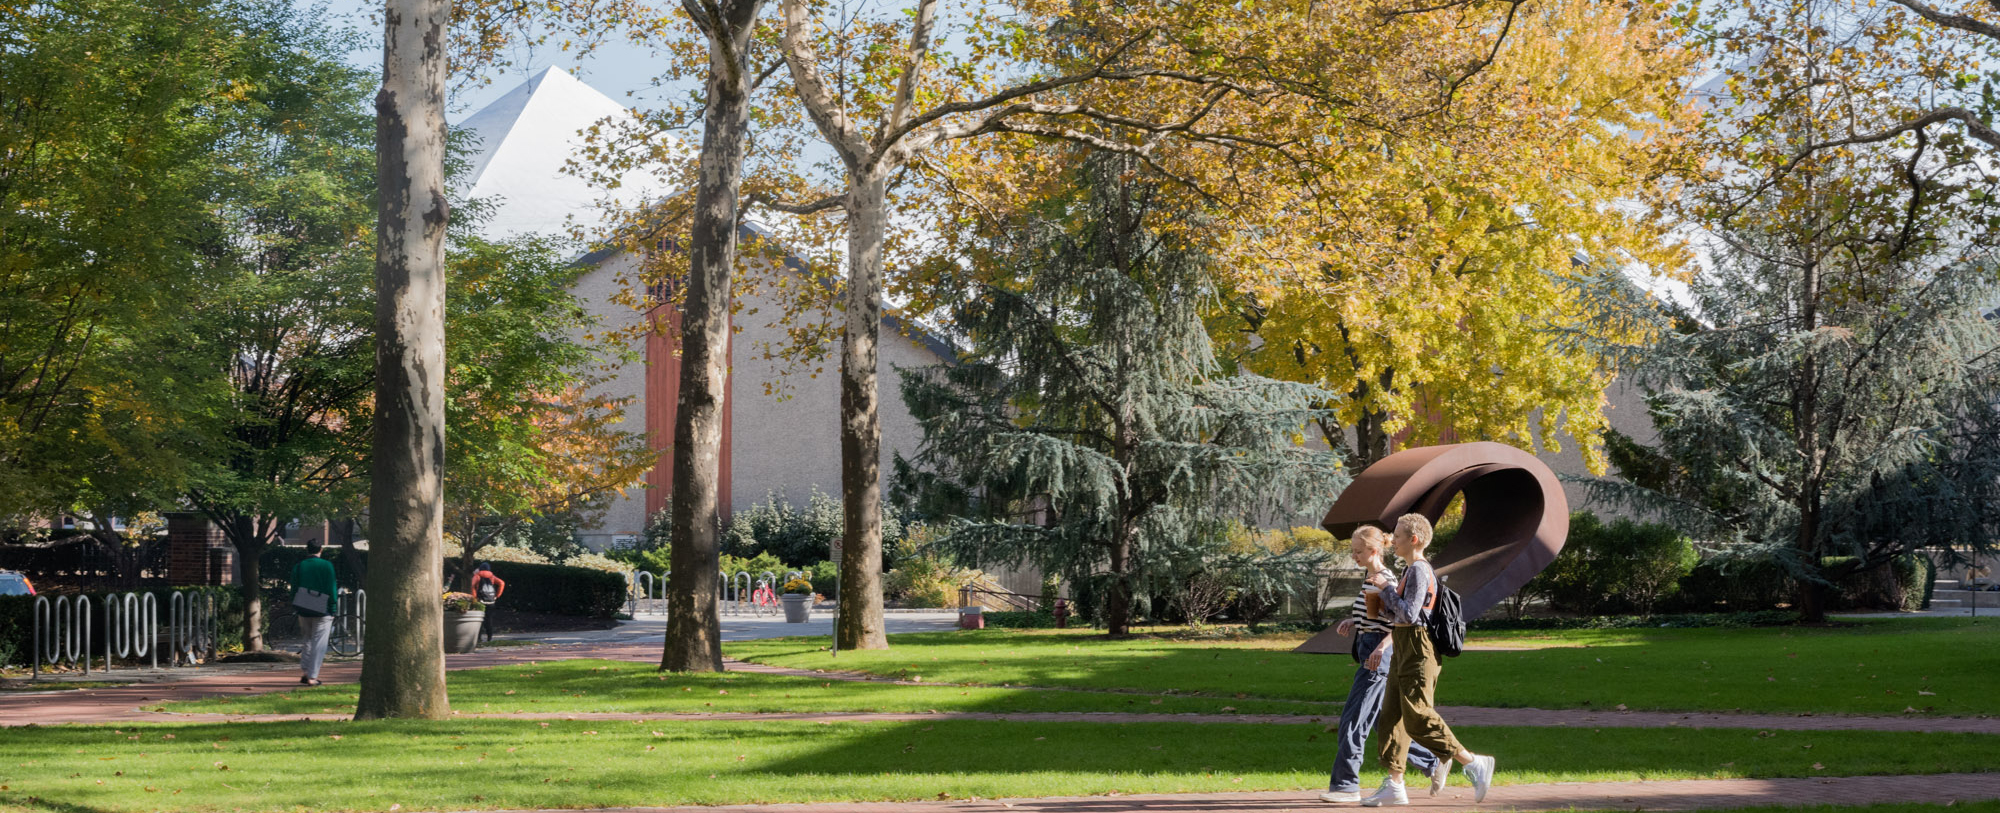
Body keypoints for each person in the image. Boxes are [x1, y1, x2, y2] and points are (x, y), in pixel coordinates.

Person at [1361, 513, 1496, 806]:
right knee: (1392, 716)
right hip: (1403, 643)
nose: (1391, 540)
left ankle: (1471, 762)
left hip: (1418, 648)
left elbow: (1410, 614)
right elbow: (1402, 613)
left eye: (1396, 536)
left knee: (1417, 715)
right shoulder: (1411, 570)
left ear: (1414, 539)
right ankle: (1394, 785)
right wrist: (1383, 604)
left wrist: (1385, 588)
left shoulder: (1420, 570)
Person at [1322, 526, 1445, 803]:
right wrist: (1354, 622)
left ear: (1374, 550)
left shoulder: (1385, 578)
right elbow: (1377, 615)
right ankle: (1431, 762)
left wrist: (1379, 647)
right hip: (1369, 647)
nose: (1353, 555)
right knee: (1380, 723)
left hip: (1379, 654)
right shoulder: (1371, 577)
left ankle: (1346, 786)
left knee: (1353, 721)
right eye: (1352, 551)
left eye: (1358, 551)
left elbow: (1401, 621)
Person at [289, 539, 338, 686]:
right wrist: (333, 606)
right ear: (321, 549)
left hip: (303, 605)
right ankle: (312, 676)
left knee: (307, 639)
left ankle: (305, 671)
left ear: (307, 549)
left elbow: (294, 587)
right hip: (323, 607)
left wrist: (296, 604)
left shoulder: (299, 566)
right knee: (319, 643)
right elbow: (331, 588)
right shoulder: (327, 565)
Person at [470, 562, 506, 643]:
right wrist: (497, 595)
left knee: (479, 620)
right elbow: (502, 583)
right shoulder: (492, 576)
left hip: (480, 601)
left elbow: (472, 586)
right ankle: (489, 637)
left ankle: (478, 638)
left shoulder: (477, 576)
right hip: (491, 601)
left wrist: (475, 598)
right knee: (489, 619)